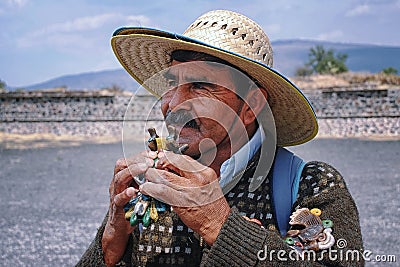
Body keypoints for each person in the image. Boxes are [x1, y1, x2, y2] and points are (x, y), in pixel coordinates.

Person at [77, 10, 363, 266]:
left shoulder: (311, 187)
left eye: (200, 85)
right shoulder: (146, 188)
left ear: (252, 104)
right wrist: (109, 245)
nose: (173, 104)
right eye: (171, 83)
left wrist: (219, 224)